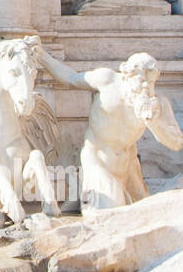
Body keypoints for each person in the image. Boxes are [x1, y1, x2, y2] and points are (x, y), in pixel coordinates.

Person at [36, 47, 183, 209]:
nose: (146, 88)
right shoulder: (107, 80)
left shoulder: (157, 104)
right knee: (110, 209)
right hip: (98, 161)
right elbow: (71, 78)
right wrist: (42, 56)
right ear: (128, 75)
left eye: (151, 83)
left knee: (146, 215)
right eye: (142, 81)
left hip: (129, 168)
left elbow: (176, 143)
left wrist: (155, 123)